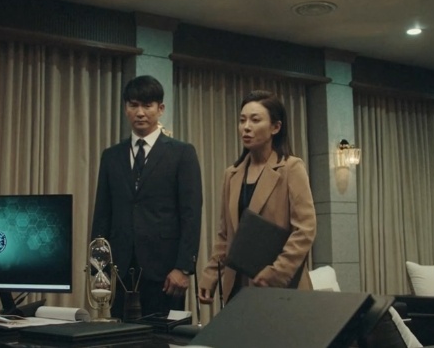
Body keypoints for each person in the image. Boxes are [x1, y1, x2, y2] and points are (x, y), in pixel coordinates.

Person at [91, 75, 203, 318]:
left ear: (160, 109)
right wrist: (99, 269)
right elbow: (102, 214)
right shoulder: (111, 156)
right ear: (125, 109)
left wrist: (183, 267)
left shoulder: (182, 153)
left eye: (147, 105)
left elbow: (191, 214)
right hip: (120, 269)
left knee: (162, 335)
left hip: (166, 271)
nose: (140, 112)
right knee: (120, 334)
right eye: (133, 105)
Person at [198, 90, 315, 305]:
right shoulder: (232, 174)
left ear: (275, 127)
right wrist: (211, 274)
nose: (246, 127)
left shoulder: (291, 168)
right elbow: (225, 235)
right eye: (242, 120)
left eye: (255, 120)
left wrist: (277, 271)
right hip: (237, 285)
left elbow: (305, 230)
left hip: (280, 288)